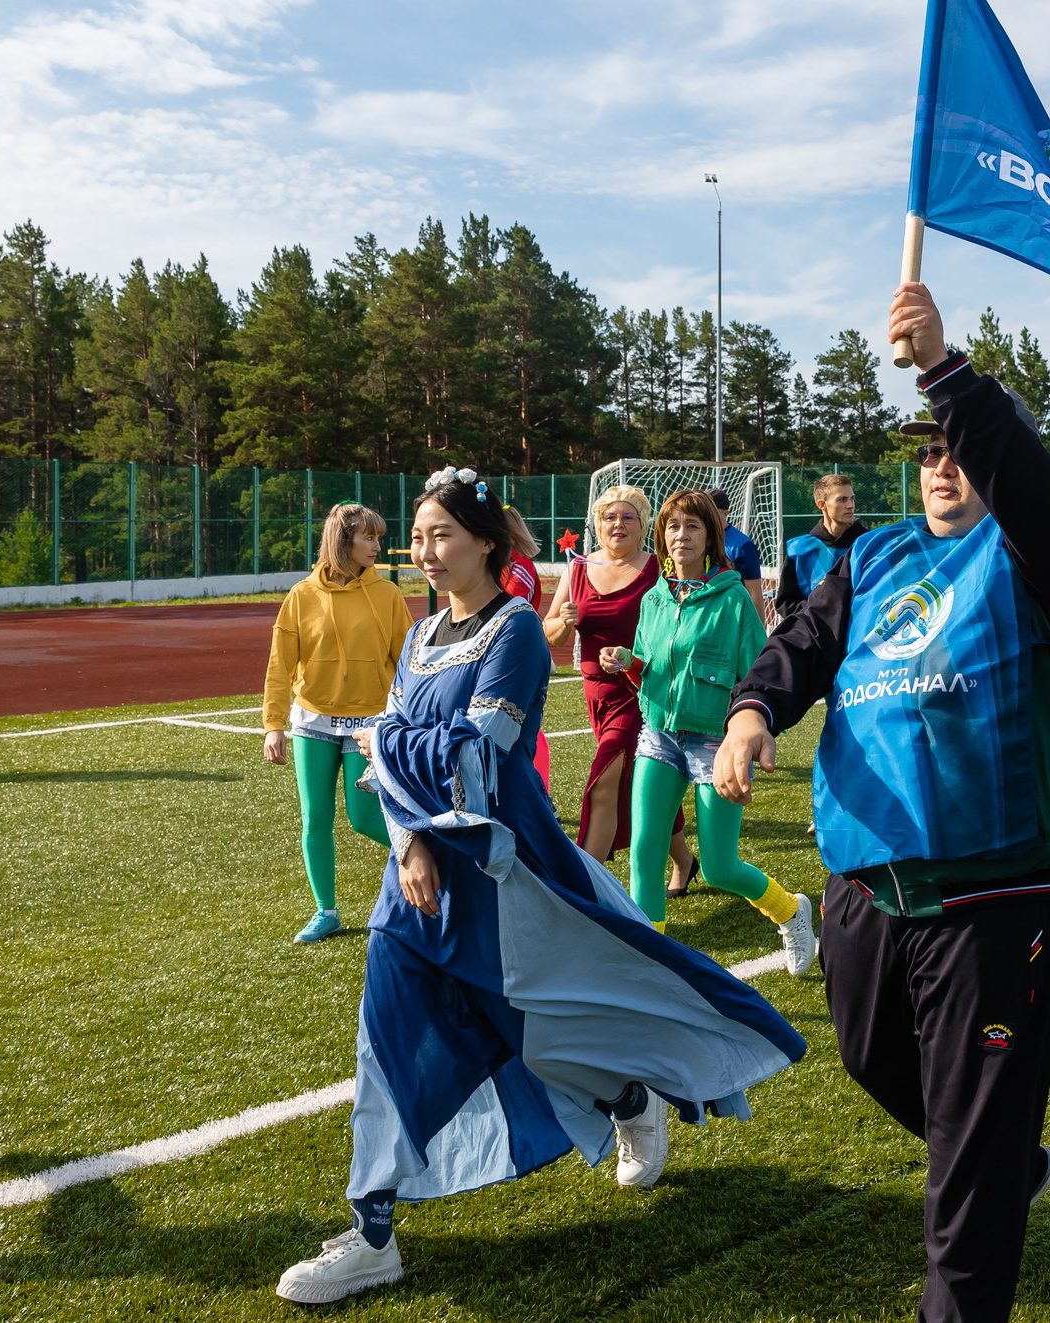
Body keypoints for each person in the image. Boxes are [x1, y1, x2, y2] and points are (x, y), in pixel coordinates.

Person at [274, 468, 805, 1305]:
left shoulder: (517, 633)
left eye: (440, 534)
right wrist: (408, 833)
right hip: (413, 880)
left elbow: (474, 760)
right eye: (418, 536)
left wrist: (396, 749)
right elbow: (398, 751)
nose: (424, 551)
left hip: (502, 882)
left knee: (542, 1036)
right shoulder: (418, 638)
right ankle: (372, 1230)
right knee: (386, 1038)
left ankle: (632, 1096)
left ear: (486, 540)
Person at [716, 281, 1050, 1323]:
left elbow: (1032, 495)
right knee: (870, 1057)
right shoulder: (875, 556)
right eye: (926, 449)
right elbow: (805, 644)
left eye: (956, 445)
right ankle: (1004, 1158)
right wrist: (755, 710)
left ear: (993, 457)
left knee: (965, 1160)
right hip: (867, 878)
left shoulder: (1046, 561)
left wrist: (948, 371)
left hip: (997, 891)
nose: (939, 463)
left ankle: (969, 1263)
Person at [613, 490, 814, 972]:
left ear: (711, 538)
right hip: (658, 733)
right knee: (644, 850)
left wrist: (749, 736)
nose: (681, 535)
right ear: (662, 536)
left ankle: (792, 911)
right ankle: (653, 963)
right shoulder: (654, 599)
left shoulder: (734, 602)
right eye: (673, 526)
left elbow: (760, 674)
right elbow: (648, 669)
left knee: (721, 866)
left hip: (714, 743)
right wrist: (627, 663)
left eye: (693, 527)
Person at [263, 503, 411, 944]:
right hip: (312, 721)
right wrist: (274, 724)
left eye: (378, 537)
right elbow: (280, 665)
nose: (377, 546)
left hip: (369, 722)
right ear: (343, 540)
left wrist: (406, 719)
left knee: (364, 816)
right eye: (370, 538)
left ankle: (435, 859)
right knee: (315, 819)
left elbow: (407, 665)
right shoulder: (301, 596)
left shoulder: (387, 595)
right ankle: (325, 910)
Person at [541, 486, 691, 889]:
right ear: (597, 524)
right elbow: (548, 634)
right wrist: (564, 622)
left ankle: (584, 889)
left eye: (628, 517)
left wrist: (633, 656)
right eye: (610, 517)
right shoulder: (577, 568)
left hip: (643, 692)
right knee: (637, 779)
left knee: (606, 779)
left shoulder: (660, 567)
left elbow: (680, 632)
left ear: (643, 524)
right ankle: (685, 860)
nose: (618, 524)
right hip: (596, 696)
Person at [497, 518, 555, 795]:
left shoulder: (521, 567)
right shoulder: (499, 566)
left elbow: (505, 606)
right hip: (503, 655)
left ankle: (539, 793)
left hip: (518, 655)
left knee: (523, 727)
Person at [773, 472, 866, 624]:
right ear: (822, 505)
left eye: (852, 498)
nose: (850, 505)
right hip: (816, 638)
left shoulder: (868, 544)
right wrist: (822, 614)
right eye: (842, 499)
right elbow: (786, 604)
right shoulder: (798, 550)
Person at [708, 488, 769, 622]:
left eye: (711, 511)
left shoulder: (742, 545)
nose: (706, 515)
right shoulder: (700, 539)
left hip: (732, 619)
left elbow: (754, 593)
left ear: (725, 513)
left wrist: (759, 632)